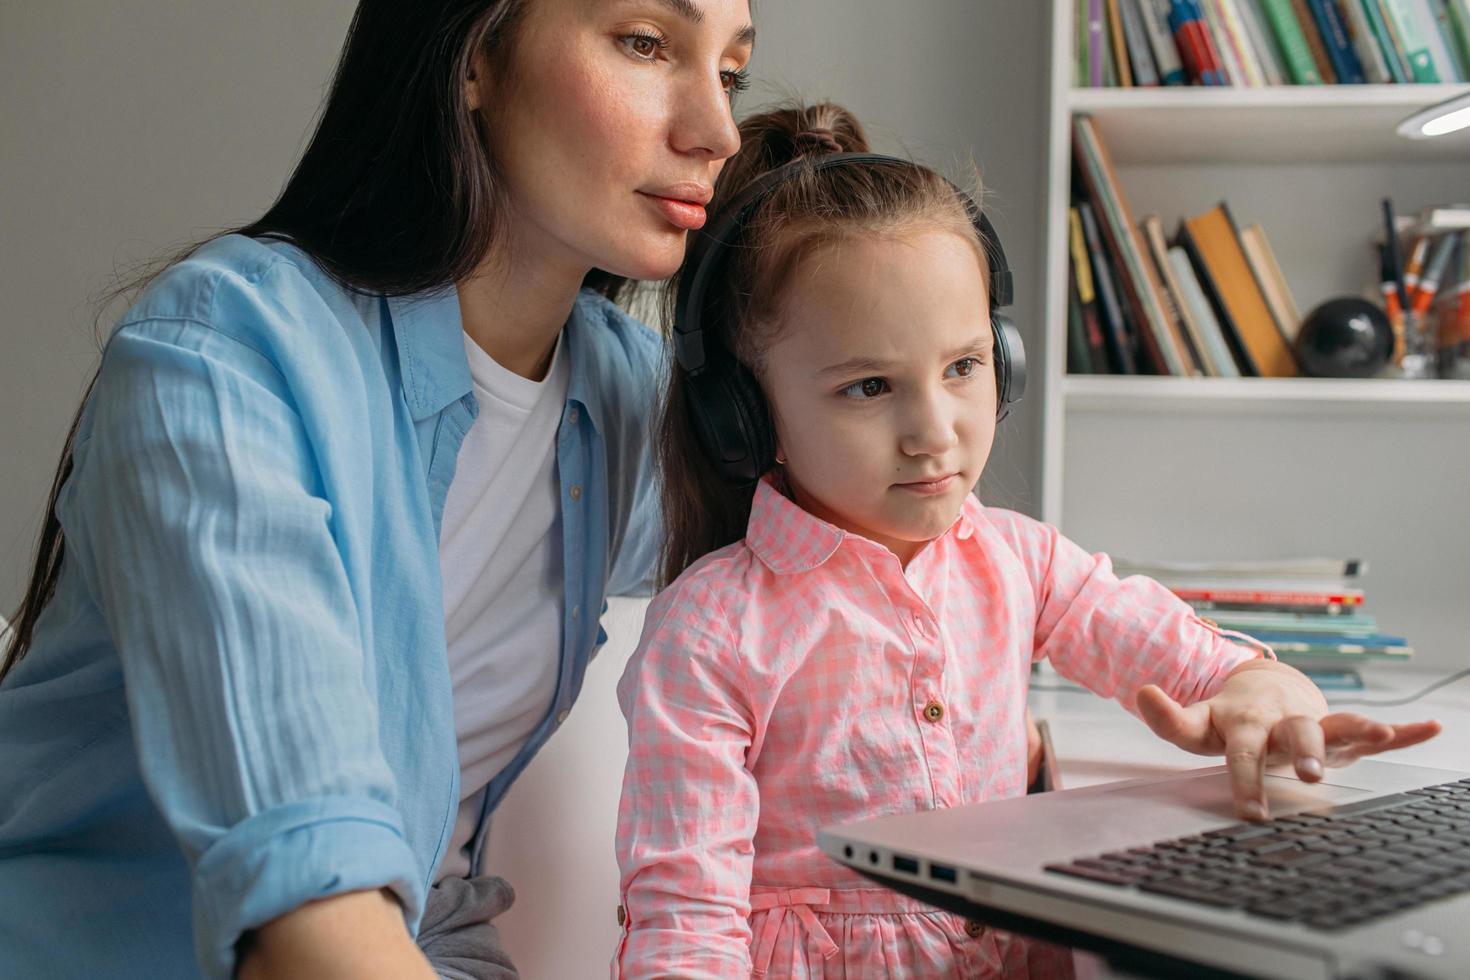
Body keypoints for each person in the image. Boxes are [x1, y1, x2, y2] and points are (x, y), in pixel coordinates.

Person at [0, 2, 754, 978]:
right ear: (472, 56)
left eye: (730, 73)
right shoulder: (230, 357)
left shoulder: (624, 396)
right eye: (646, 43)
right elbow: (310, 908)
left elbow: (837, 574)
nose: (716, 130)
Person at [611, 102, 1441, 978]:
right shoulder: (708, 635)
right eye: (867, 387)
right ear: (743, 412)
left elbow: (1178, 652)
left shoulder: (1020, 561)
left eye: (963, 367)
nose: (935, 431)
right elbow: (683, 923)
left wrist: (1256, 686)